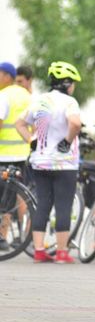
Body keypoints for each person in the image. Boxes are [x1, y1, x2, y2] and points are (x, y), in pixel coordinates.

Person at [15, 61, 82, 264]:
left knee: (43, 203)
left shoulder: (39, 101)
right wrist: (67, 141)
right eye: (73, 83)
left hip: (41, 161)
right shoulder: (69, 102)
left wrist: (30, 139)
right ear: (67, 83)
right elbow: (75, 123)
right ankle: (61, 252)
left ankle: (38, 251)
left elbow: (19, 123)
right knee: (63, 205)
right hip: (64, 163)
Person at [0, 62, 31, 251]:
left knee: (3, 196)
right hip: (23, 154)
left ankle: (2, 236)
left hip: (3, 155)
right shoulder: (28, 96)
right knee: (14, 196)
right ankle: (12, 235)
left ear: (7, 76)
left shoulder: (4, 95)